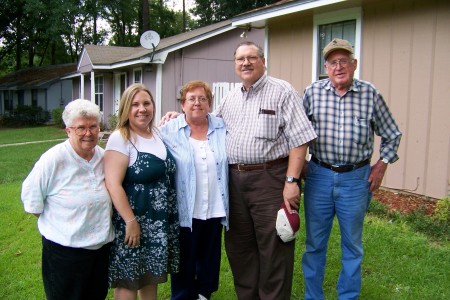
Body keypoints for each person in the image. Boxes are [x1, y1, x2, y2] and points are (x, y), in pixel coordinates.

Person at [162, 41, 316, 299]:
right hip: (233, 183)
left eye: (252, 57)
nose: (246, 63)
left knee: (274, 246)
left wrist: (291, 180)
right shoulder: (230, 98)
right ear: (235, 65)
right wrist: (176, 117)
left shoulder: (282, 91)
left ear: (263, 61)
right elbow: (204, 120)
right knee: (240, 248)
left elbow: (300, 138)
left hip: (270, 180)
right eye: (240, 59)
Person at [301, 38, 402, 300]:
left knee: (352, 246)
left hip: (356, 179)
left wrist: (382, 164)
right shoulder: (312, 93)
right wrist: (299, 162)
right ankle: (314, 296)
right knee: (314, 245)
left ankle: (348, 296)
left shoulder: (370, 94)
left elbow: (392, 134)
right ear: (326, 66)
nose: (338, 66)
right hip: (318, 176)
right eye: (333, 62)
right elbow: (296, 133)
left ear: (354, 64)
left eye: (343, 61)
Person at [21, 99, 115, 300]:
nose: (88, 133)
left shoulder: (103, 156)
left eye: (93, 126)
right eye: (81, 127)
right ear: (68, 130)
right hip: (65, 252)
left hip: (100, 250)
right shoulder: (54, 159)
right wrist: (61, 224)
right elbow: (32, 199)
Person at [105, 83, 179, 300]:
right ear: (126, 109)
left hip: (159, 222)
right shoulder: (121, 137)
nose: (142, 109)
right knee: (128, 280)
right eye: (135, 104)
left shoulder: (156, 133)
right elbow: (113, 184)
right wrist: (130, 222)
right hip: (133, 222)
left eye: (146, 103)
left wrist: (176, 115)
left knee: (150, 278)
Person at [159, 80, 229, 300]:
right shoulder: (168, 129)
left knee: (209, 261)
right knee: (185, 263)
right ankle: (182, 296)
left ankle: (204, 295)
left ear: (209, 103)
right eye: (191, 98)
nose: (197, 103)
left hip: (215, 208)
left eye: (202, 98)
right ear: (182, 104)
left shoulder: (221, 126)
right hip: (185, 210)